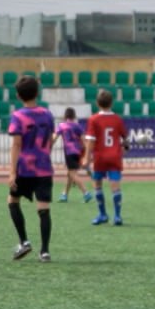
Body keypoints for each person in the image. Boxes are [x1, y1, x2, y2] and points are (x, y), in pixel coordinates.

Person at [6, 75, 56, 261]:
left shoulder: (18, 116)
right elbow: (50, 140)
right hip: (43, 168)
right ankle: (45, 251)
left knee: (13, 200)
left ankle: (24, 242)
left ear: (18, 96)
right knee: (44, 209)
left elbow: (16, 144)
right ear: (37, 93)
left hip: (25, 168)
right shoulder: (47, 114)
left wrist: (12, 172)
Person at [83, 90, 130, 226]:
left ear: (97, 103)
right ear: (112, 103)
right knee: (115, 187)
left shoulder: (93, 119)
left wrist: (86, 158)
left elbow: (90, 141)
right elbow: (125, 139)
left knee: (97, 185)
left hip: (100, 157)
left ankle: (103, 214)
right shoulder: (117, 119)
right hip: (114, 157)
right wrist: (125, 148)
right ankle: (117, 216)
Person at [54, 107, 91, 204]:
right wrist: (86, 154)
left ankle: (86, 193)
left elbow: (54, 137)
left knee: (72, 174)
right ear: (74, 116)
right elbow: (84, 141)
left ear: (65, 116)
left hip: (69, 152)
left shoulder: (61, 125)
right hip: (77, 152)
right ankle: (64, 195)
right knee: (70, 174)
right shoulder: (77, 126)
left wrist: (48, 146)